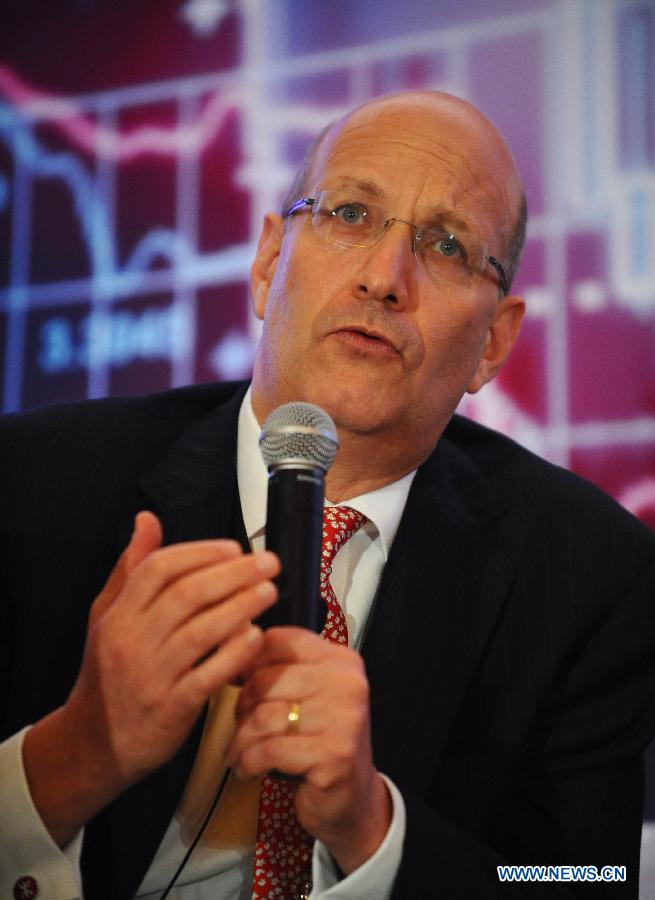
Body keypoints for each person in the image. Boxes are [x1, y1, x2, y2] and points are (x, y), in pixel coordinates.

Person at [1, 89, 654, 900]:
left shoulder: (593, 574)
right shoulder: (28, 486)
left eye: (447, 246)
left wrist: (370, 828)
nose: (385, 278)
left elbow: (579, 878)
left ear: (492, 343)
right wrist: (78, 753)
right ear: (270, 262)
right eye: (349, 214)